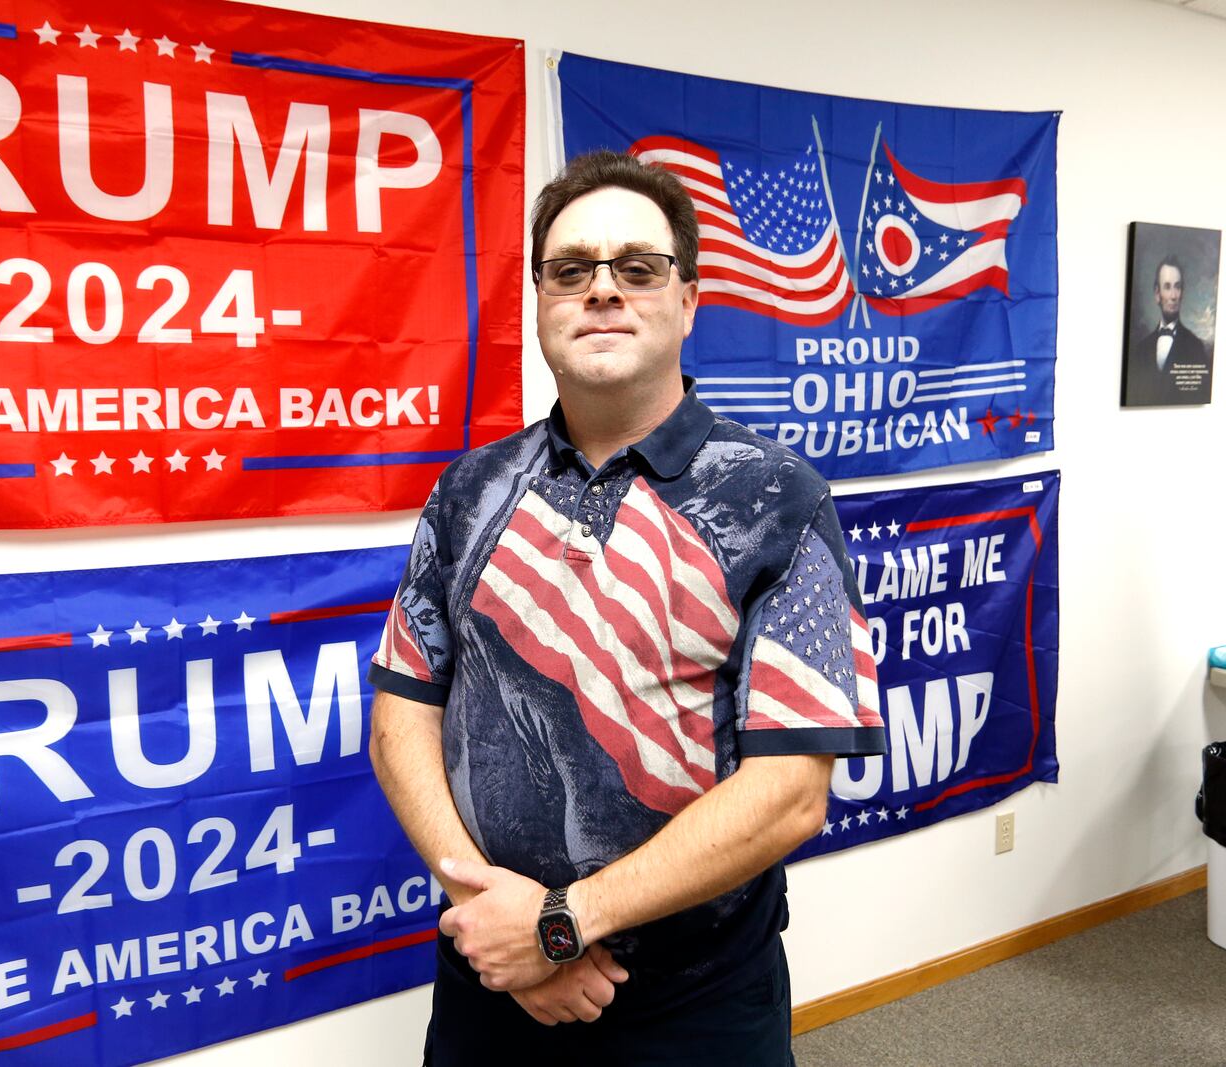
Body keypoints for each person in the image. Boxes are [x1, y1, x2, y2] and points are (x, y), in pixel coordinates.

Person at [367, 150, 887, 1065]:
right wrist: (494, 918)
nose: (601, 291)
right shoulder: (470, 491)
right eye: (571, 271)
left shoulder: (780, 502)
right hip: (489, 981)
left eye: (637, 269)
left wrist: (561, 927)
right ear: (539, 301)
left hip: (693, 1007)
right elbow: (403, 713)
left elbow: (791, 793)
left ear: (687, 300)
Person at [1125, 256, 1213, 405]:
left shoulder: (1196, 347)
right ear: (1157, 294)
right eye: (1167, 286)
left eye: (1177, 287)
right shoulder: (1140, 349)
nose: (1173, 296)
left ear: (1182, 292)